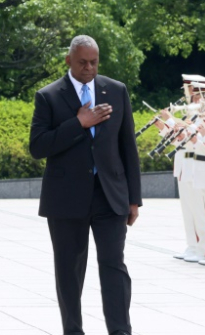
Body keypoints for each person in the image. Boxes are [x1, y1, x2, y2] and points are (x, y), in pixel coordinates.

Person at [29, 35, 141, 335]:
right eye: (82, 62)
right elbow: (38, 147)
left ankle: (120, 330)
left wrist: (134, 199)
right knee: (69, 272)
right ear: (69, 60)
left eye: (94, 62)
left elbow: (127, 146)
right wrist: (78, 123)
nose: (89, 68)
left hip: (110, 196)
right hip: (66, 200)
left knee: (114, 266)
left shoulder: (116, 91)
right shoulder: (49, 96)